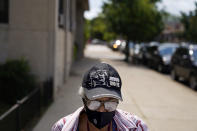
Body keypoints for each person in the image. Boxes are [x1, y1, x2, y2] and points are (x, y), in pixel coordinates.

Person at [52, 62, 148, 131]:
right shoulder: (61, 127)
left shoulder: (136, 127)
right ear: (84, 99)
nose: (101, 110)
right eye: (95, 102)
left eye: (110, 103)